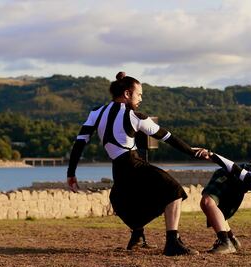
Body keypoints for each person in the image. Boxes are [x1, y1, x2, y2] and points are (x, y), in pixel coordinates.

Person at [67, 72, 207, 256]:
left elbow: (79, 144)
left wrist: (71, 173)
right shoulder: (134, 116)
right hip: (133, 163)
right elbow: (167, 136)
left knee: (133, 199)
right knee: (174, 191)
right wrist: (191, 151)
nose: (141, 98)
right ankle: (172, 242)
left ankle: (138, 237)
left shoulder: (96, 113)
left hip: (118, 168)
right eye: (139, 94)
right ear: (127, 94)